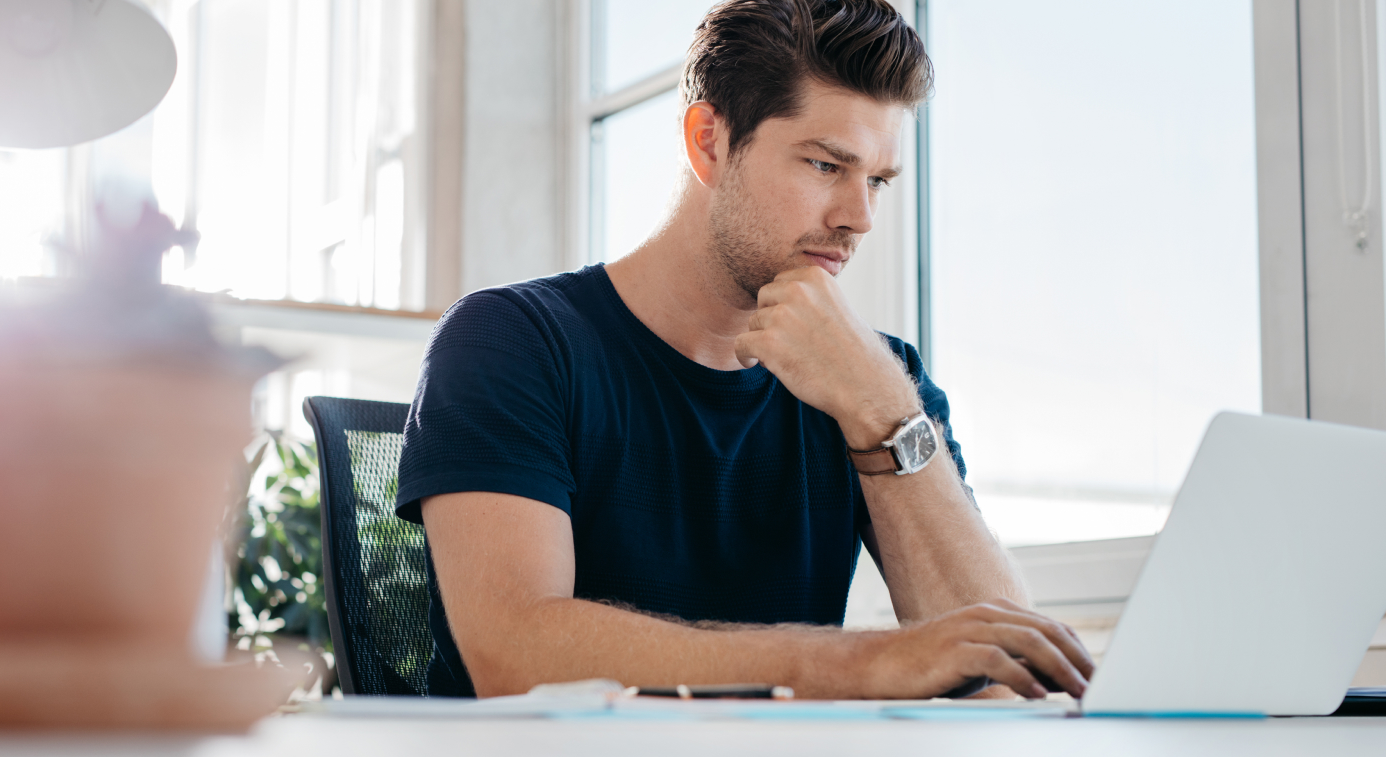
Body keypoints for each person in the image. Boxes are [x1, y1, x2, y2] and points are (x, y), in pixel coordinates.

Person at [395, 0, 1094, 699]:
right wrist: (855, 664)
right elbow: (514, 653)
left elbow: (1009, 675)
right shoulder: (511, 340)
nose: (860, 217)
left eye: (878, 181)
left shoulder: (878, 378)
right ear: (708, 143)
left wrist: (880, 410)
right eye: (826, 166)